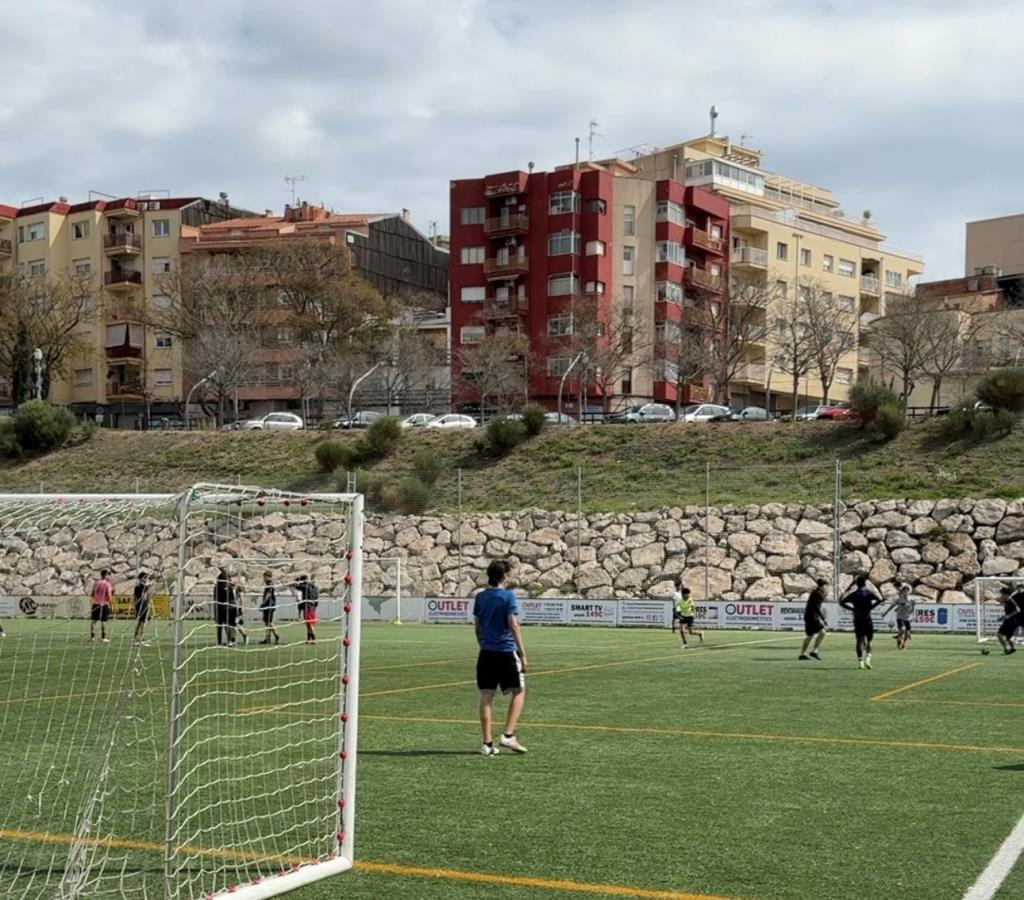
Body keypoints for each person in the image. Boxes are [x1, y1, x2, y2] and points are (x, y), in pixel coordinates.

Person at [474, 559, 527, 756]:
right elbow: (513, 624)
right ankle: (508, 735)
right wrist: (522, 653)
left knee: (487, 696)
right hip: (505, 651)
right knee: (519, 691)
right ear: (505, 576)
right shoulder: (508, 597)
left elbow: (477, 628)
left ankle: (487, 744)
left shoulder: (480, 597)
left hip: (486, 653)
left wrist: (484, 646)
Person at [839, 575, 885, 669]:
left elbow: (841, 602)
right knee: (870, 640)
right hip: (867, 618)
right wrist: (871, 607)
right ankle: (868, 658)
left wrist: (852, 609)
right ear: (865, 583)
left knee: (859, 641)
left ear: (857, 584)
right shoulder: (868, 593)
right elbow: (880, 599)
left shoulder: (854, 594)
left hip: (857, 618)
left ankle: (860, 661)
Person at [798, 579, 828, 660]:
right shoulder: (818, 594)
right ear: (823, 586)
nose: (826, 588)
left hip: (809, 616)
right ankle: (814, 651)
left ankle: (803, 653)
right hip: (812, 616)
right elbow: (817, 607)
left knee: (810, 635)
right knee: (822, 632)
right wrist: (823, 618)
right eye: (826, 586)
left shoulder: (815, 592)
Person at [882, 581, 916, 651]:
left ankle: (904, 644)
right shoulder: (899, 598)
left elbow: (912, 607)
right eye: (904, 591)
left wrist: (911, 612)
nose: (905, 592)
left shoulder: (911, 599)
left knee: (907, 632)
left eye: (906, 591)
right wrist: (886, 612)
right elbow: (893, 605)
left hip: (907, 617)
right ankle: (898, 641)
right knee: (902, 629)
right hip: (900, 616)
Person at [672, 581, 704, 649]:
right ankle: (685, 643)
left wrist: (693, 614)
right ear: (683, 594)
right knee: (681, 631)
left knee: (691, 632)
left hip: (690, 616)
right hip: (683, 616)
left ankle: (700, 634)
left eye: (689, 594)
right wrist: (678, 616)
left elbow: (693, 608)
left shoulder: (690, 600)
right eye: (687, 594)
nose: (688, 595)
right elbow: (675, 609)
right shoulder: (680, 601)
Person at [294, 574, 319, 644]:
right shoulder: (314, 587)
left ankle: (314, 639)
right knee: (309, 623)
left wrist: (296, 581)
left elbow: (296, 586)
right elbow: (317, 597)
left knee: (309, 623)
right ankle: (308, 639)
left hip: (307, 606)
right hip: (313, 606)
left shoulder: (305, 586)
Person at [89, 569, 113, 643]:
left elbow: (92, 594)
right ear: (105, 575)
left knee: (94, 621)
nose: (109, 576)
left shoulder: (96, 583)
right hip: (103, 604)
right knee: (103, 621)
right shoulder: (107, 584)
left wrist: (97, 597)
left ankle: (92, 637)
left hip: (95, 603)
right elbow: (109, 595)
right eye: (108, 574)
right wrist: (111, 604)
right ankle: (103, 637)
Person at [996, 587, 1021, 656]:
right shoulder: (1006, 601)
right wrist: (1003, 617)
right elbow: (1009, 612)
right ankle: (1012, 648)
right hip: (1010, 621)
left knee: (999, 634)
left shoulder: (1011, 601)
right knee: (1007, 637)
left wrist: (1008, 616)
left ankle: (1006, 649)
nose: (1001, 596)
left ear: (1006, 594)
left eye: (1002, 594)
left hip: (1012, 621)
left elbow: (1018, 610)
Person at [259, 570, 280, 645]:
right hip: (269, 605)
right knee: (266, 622)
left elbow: (268, 594)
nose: (263, 578)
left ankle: (275, 635)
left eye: (264, 577)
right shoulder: (269, 583)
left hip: (269, 605)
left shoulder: (269, 584)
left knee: (268, 622)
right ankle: (268, 638)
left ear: (268, 577)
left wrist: (263, 603)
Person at [131, 571, 152, 646]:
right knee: (143, 622)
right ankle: (140, 639)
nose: (146, 579)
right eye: (145, 577)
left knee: (141, 622)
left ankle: (136, 638)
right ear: (141, 578)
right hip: (142, 605)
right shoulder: (141, 586)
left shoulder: (139, 586)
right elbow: (145, 594)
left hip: (141, 604)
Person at [213, 567, 233, 646]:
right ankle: (229, 641)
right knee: (225, 625)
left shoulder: (217, 587)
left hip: (219, 608)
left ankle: (220, 641)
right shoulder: (224, 587)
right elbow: (229, 597)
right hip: (224, 608)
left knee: (220, 626)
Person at [230, 576, 248, 646]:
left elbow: (242, 599)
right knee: (234, 625)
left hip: (237, 609)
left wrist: (242, 607)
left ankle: (233, 640)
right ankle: (244, 636)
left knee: (235, 624)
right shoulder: (230, 588)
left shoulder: (239, 589)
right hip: (232, 608)